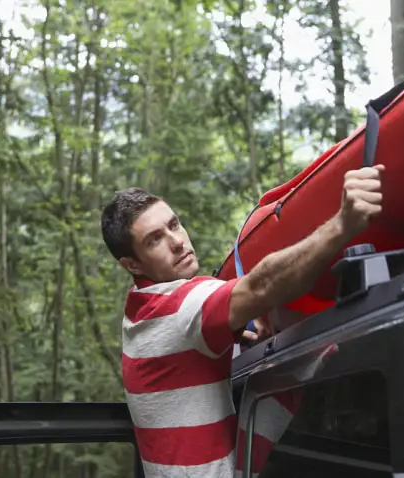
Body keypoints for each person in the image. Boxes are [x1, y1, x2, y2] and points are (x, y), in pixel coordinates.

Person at [100, 165, 385, 477]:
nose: (177, 241)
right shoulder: (178, 307)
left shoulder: (140, 312)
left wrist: (239, 328)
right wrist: (342, 224)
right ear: (132, 264)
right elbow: (261, 285)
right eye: (155, 239)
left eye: (174, 225)